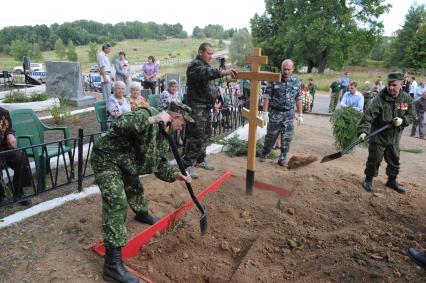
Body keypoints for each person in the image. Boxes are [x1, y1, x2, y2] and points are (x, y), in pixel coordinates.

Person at [90, 102, 193, 283]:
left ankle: (142, 213)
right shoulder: (147, 113)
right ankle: (112, 266)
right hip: (107, 158)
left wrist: (176, 175)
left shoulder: (164, 135)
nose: (181, 129)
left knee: (135, 188)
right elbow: (120, 123)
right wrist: (154, 119)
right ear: (176, 117)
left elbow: (158, 164)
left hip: (127, 162)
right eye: (182, 124)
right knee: (117, 202)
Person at [183, 42, 238, 179]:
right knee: (195, 135)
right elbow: (207, 73)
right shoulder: (195, 65)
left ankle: (200, 160)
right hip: (197, 107)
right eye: (208, 53)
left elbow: (211, 83)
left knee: (206, 134)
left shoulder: (205, 65)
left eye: (212, 54)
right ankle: (187, 165)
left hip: (206, 106)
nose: (211, 56)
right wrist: (223, 71)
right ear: (200, 52)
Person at [357, 72, 415, 194]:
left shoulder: (406, 98)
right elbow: (368, 116)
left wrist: (403, 120)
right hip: (378, 137)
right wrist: (363, 131)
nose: (391, 87)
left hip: (394, 138)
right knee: (375, 159)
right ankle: (368, 180)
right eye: (389, 84)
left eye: (394, 85)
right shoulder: (379, 99)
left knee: (394, 160)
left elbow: (412, 115)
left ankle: (391, 181)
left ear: (401, 84)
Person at [260, 59, 303, 166]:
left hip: (289, 114)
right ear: (281, 68)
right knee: (271, 137)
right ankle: (265, 152)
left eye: (288, 69)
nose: (286, 71)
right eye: (284, 69)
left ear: (293, 69)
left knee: (287, 138)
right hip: (275, 113)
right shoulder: (274, 79)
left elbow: (298, 98)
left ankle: (282, 158)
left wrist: (300, 114)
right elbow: (267, 97)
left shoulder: (296, 81)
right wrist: (265, 113)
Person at [0, 107, 32, 206]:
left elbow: (8, 128)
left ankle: (19, 192)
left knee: (20, 156)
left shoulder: (3, 113)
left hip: (3, 147)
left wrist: (10, 134)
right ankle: (1, 196)